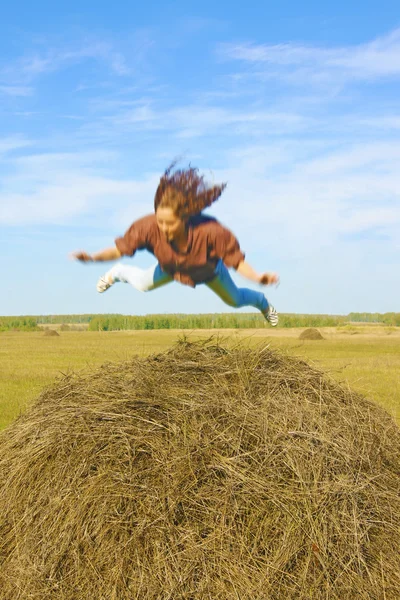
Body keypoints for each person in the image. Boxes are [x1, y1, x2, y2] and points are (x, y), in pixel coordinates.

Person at [72, 164, 280, 326]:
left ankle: (263, 304)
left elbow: (237, 262)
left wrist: (258, 277)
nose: (163, 228)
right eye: (160, 221)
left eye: (169, 223)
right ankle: (117, 274)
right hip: (171, 268)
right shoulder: (147, 227)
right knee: (143, 285)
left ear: (185, 218)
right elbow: (118, 250)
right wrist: (92, 258)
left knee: (235, 300)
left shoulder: (211, 231)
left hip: (210, 272)